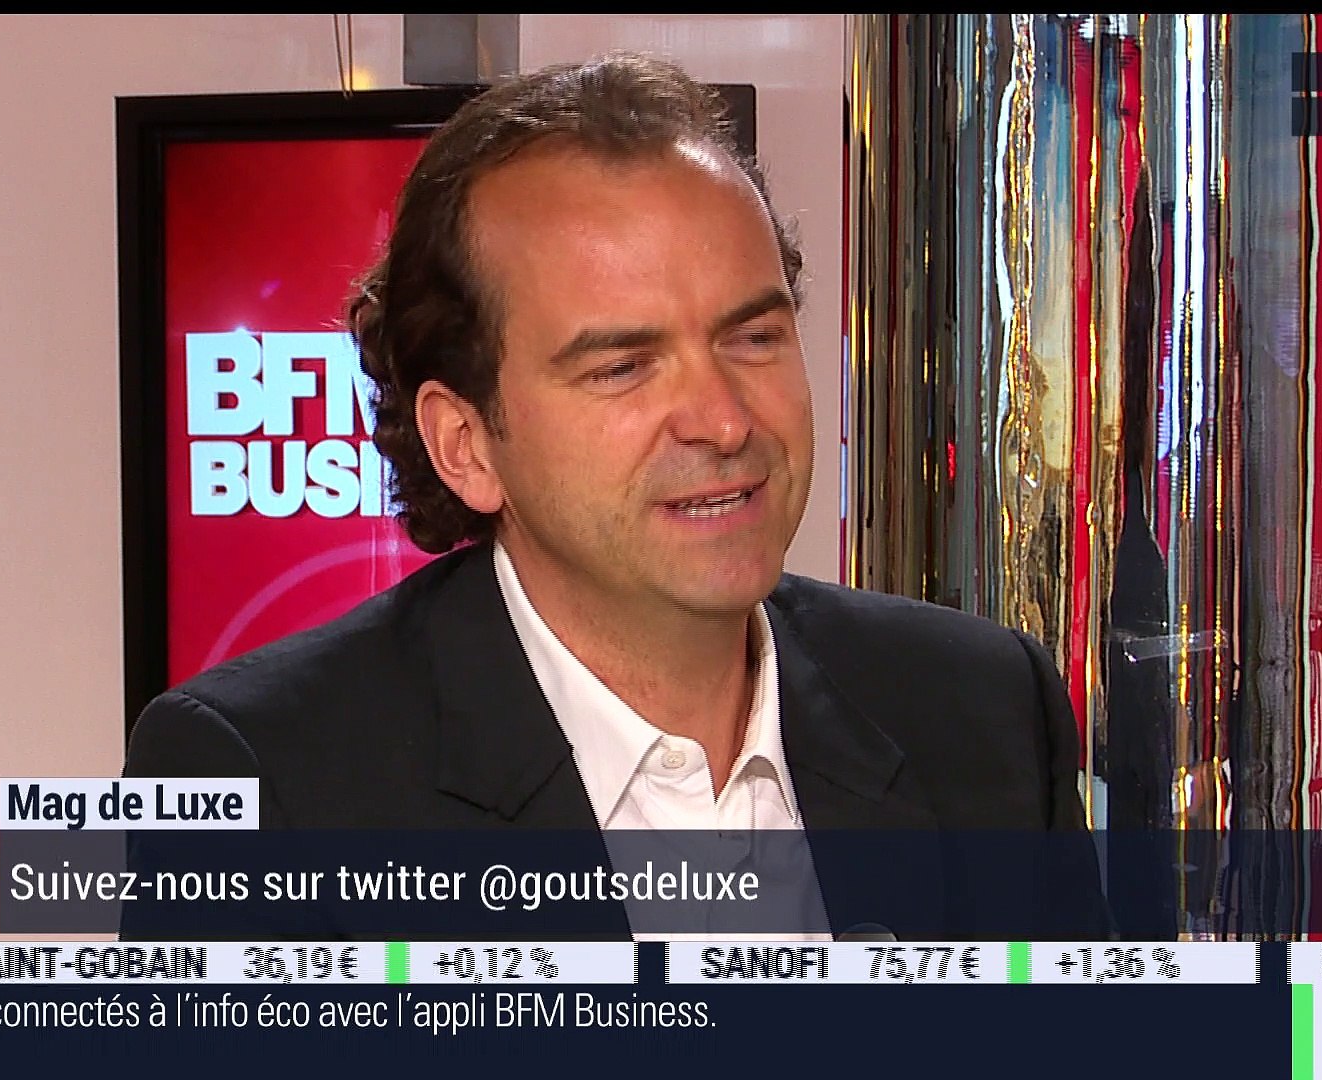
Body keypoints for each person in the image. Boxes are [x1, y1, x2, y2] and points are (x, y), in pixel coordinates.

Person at [126, 53, 1100, 939]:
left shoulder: (982, 711)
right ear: (466, 444)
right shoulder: (263, 781)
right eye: (623, 367)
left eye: (753, 338)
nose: (724, 421)